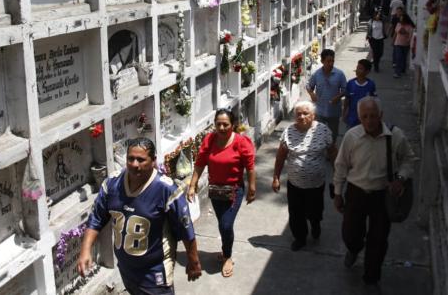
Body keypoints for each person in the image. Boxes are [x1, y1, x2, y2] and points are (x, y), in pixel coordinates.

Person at [78, 137, 202, 294]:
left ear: (153, 161)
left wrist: (193, 260)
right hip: (126, 270)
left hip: (155, 272)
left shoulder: (166, 190)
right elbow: (96, 218)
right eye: (130, 159)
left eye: (141, 160)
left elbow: (186, 228)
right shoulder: (112, 185)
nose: (134, 164)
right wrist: (85, 250)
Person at [333, 96, 416, 285]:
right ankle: (354, 249)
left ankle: (371, 278)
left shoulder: (395, 136)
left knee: (378, 240)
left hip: (382, 195)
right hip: (356, 192)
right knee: (350, 234)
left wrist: (400, 179)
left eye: (373, 116)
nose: (369, 121)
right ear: (359, 117)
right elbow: (341, 165)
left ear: (381, 115)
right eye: (365, 116)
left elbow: (409, 159)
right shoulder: (352, 136)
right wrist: (337, 193)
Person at [187, 108, 256, 278]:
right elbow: (200, 163)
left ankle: (227, 257)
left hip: (234, 190)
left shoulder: (241, 142)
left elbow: (250, 167)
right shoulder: (210, 139)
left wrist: (252, 188)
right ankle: (226, 249)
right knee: (223, 224)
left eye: (225, 124)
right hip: (216, 191)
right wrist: (192, 185)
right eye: (218, 124)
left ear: (233, 125)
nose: (222, 128)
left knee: (226, 225)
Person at [272, 101, 337, 251]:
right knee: (296, 214)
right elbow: (280, 157)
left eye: (305, 113)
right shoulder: (288, 132)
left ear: (313, 115)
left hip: (316, 184)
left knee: (315, 212)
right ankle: (300, 238)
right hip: (295, 184)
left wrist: (337, 175)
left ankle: (315, 225)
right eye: (298, 114)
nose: (301, 116)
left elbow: (333, 153)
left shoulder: (323, 130)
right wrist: (276, 177)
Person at [306, 48, 347, 144]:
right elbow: (308, 86)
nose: (331, 63)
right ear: (322, 61)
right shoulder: (317, 74)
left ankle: (331, 150)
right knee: (319, 134)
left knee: (333, 135)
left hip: (334, 111)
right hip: (320, 110)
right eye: (328, 61)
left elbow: (345, 89)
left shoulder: (340, 74)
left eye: (332, 61)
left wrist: (338, 97)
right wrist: (311, 94)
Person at [342, 59, 377, 129]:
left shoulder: (371, 85)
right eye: (357, 68)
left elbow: (374, 101)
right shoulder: (350, 83)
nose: (357, 70)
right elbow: (347, 100)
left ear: (367, 72)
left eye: (360, 68)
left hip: (366, 120)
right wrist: (344, 114)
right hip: (352, 118)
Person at [392, 12, 415, 78]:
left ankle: (403, 69)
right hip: (398, 43)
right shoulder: (398, 24)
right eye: (400, 19)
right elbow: (395, 33)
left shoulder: (409, 26)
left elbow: (410, 36)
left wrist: (407, 37)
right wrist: (393, 41)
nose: (401, 20)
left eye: (402, 19)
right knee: (398, 58)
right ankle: (397, 72)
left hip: (406, 45)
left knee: (404, 58)